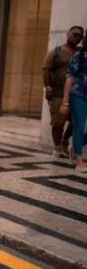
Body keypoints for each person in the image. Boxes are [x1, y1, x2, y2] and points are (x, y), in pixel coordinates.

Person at [43, 26, 84, 158]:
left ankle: (65, 140)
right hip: (58, 93)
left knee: (75, 121)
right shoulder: (56, 51)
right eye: (75, 35)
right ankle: (58, 146)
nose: (77, 38)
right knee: (58, 122)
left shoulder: (81, 53)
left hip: (77, 93)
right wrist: (48, 88)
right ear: (68, 34)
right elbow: (46, 71)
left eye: (80, 36)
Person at [60, 40, 87, 172]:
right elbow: (69, 79)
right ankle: (79, 160)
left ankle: (75, 147)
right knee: (79, 128)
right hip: (78, 95)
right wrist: (65, 102)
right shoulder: (78, 57)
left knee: (80, 132)